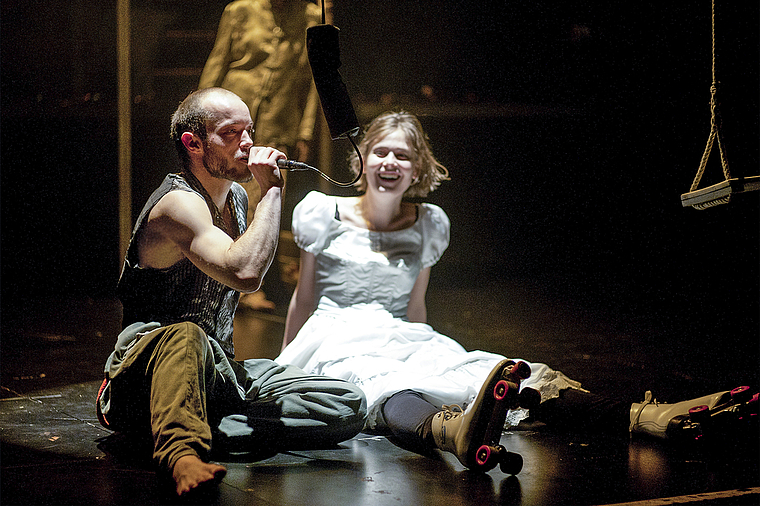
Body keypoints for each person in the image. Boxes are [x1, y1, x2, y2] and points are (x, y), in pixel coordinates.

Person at [276, 111, 757, 471]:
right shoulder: (323, 211)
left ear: (417, 167)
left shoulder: (429, 224)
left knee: (491, 372)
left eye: (402, 154)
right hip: (336, 334)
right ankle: (451, 432)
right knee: (382, 383)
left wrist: (426, 349)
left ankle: (644, 417)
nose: (389, 162)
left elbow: (415, 307)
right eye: (381, 150)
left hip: (399, 332)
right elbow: (303, 295)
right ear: (362, 159)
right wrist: (281, 367)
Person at [96, 88, 366, 497]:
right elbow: (244, 272)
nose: (248, 143)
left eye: (250, 131)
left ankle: (183, 424)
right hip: (150, 369)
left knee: (346, 402)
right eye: (232, 133)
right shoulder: (176, 206)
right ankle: (181, 454)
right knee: (187, 334)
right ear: (194, 144)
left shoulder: (238, 197)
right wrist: (273, 191)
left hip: (217, 370)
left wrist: (260, 194)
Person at [199, 0, 322, 310]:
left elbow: (313, 80)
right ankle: (217, 278)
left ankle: (249, 284)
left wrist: (306, 130)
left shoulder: (309, 16)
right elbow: (217, 63)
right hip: (231, 122)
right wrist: (200, 120)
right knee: (224, 195)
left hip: (279, 119)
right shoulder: (239, 10)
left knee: (264, 197)